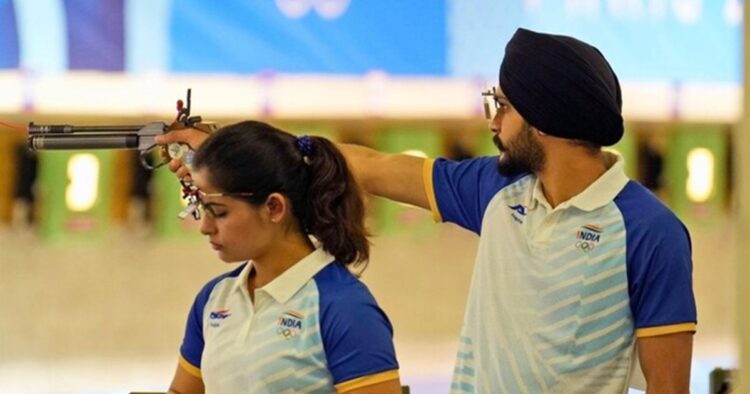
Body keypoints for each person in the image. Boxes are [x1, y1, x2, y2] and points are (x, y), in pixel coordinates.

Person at [158, 28, 696, 393]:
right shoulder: (496, 191)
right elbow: (369, 165)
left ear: (543, 119)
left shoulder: (650, 232)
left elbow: (668, 385)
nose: (492, 122)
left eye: (502, 106)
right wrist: (227, 146)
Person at [164, 121, 401, 393]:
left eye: (218, 211)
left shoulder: (344, 307)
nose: (205, 227)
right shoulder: (214, 297)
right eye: (201, 209)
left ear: (274, 207)